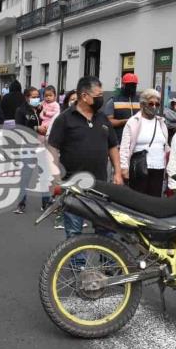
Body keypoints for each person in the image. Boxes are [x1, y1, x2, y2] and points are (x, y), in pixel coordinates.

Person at [48, 76, 122, 237]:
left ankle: (108, 262)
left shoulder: (102, 118)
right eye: (98, 96)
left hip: (100, 186)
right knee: (74, 231)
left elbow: (113, 146)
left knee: (106, 230)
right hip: (74, 186)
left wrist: (117, 172)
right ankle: (77, 263)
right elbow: (53, 148)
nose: (101, 99)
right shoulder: (64, 119)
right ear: (84, 96)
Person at [120, 89, 169, 197]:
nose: (154, 107)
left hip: (159, 168)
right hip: (139, 168)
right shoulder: (133, 121)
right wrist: (124, 167)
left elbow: (165, 146)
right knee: (138, 199)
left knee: (155, 199)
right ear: (142, 104)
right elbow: (124, 147)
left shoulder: (161, 122)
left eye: (157, 104)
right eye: (151, 103)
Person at [13, 86, 49, 214]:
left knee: (45, 175)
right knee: (26, 177)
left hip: (41, 146)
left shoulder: (40, 109)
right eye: (33, 97)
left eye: (37, 96)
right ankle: (21, 204)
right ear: (27, 97)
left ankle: (46, 203)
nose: (36, 99)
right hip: (27, 147)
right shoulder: (21, 110)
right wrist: (36, 128)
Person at [104, 73, 139, 144]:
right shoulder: (113, 101)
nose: (132, 87)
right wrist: (125, 121)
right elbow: (108, 122)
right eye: (129, 85)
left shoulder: (140, 100)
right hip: (119, 141)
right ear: (123, 85)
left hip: (137, 142)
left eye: (134, 85)